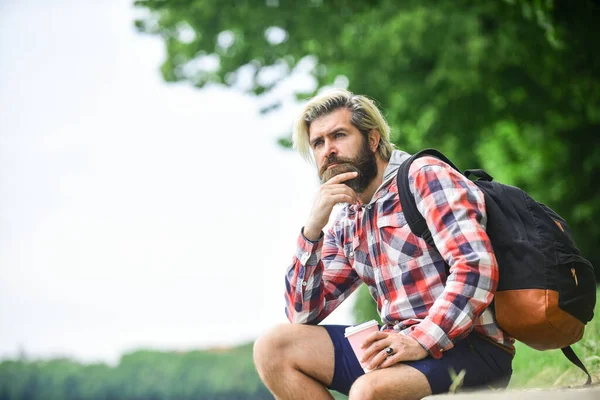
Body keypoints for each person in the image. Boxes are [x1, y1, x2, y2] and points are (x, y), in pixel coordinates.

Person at [253, 89, 515, 400]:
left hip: (471, 346)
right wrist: (312, 230)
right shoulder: (347, 218)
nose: (328, 150)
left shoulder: (424, 176)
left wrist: (420, 341)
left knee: (369, 391)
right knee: (273, 348)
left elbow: (476, 267)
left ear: (373, 139)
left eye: (339, 135)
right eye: (318, 143)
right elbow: (302, 315)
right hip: (398, 346)